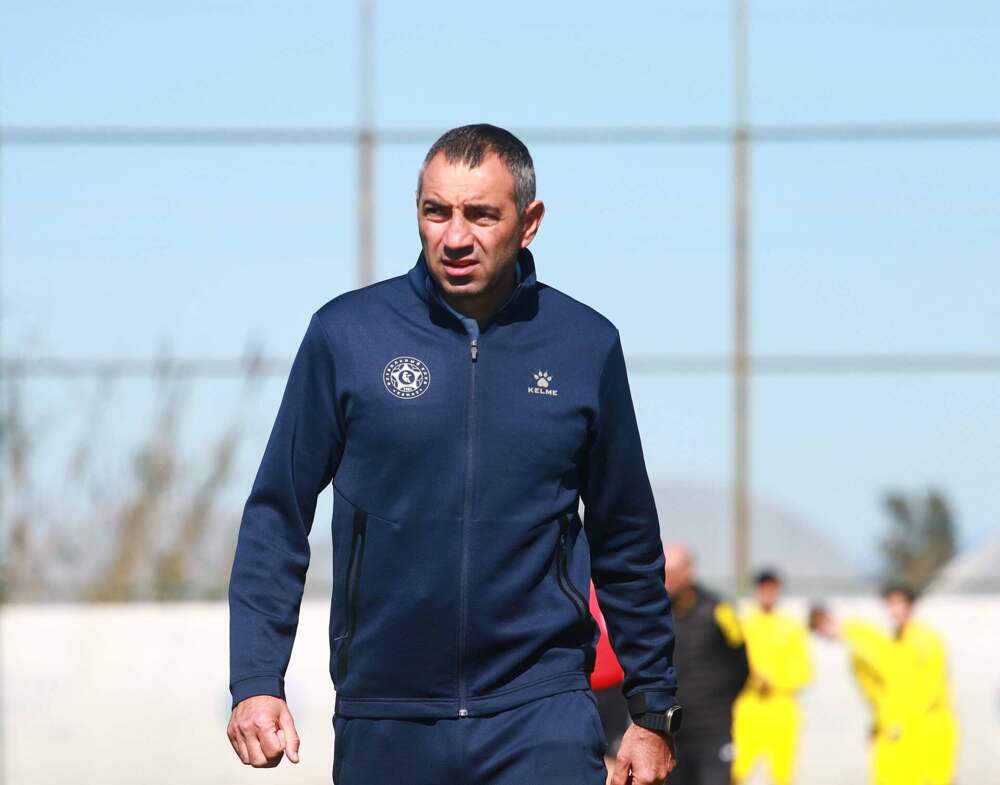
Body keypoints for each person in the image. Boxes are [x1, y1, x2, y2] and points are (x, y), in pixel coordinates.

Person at [225, 124, 682, 785]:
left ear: (529, 223)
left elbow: (626, 534)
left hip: (540, 709)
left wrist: (652, 703)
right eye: (436, 211)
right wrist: (256, 679)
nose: (456, 236)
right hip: (386, 714)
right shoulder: (347, 335)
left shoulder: (585, 345)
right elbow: (278, 513)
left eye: (481, 214)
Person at [810, 585, 959, 785]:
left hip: (924, 728)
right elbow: (883, 691)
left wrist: (894, 723)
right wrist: (879, 724)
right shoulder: (888, 640)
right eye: (890, 604)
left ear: (911, 605)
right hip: (899, 728)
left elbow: (919, 688)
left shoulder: (923, 640)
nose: (894, 610)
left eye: (899, 603)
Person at [662, 543, 749, 785]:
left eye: (671, 573)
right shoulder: (657, 615)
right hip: (673, 732)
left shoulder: (720, 611)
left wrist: (719, 703)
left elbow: (743, 667)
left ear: (688, 573)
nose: (665, 580)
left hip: (713, 730)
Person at [732, 569, 812, 785]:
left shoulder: (791, 626)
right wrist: (753, 680)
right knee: (737, 770)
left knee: (782, 775)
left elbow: (804, 671)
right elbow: (731, 664)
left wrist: (775, 681)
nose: (768, 594)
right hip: (748, 705)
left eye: (772, 589)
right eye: (764, 589)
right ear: (756, 591)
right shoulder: (743, 624)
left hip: (781, 706)